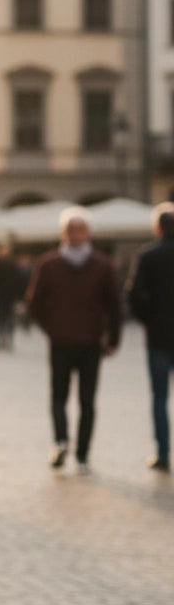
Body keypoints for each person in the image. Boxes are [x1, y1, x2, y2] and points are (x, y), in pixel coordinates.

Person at [25, 206, 123, 474]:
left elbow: (115, 305)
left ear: (88, 233)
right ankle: (61, 442)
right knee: (59, 397)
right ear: (63, 233)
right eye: (71, 229)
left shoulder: (103, 266)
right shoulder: (49, 264)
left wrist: (113, 338)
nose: (75, 234)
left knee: (87, 401)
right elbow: (34, 304)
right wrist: (51, 328)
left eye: (80, 229)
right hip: (61, 342)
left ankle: (82, 454)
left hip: (91, 343)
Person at [126, 202, 174, 473]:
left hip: (158, 335)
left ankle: (163, 453)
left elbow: (133, 296)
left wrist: (149, 319)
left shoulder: (148, 255)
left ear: (158, 228)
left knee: (159, 398)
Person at [0, 242, 24, 351]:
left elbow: (18, 281)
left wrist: (19, 296)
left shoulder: (12, 266)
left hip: (9, 296)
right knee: (0, 318)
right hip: (0, 296)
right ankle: (0, 338)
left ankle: (8, 339)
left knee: (9, 318)